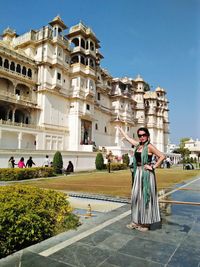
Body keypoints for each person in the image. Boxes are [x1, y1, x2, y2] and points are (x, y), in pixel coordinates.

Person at [118, 126, 165, 232]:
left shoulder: (150, 147)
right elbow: (128, 138)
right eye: (140, 135)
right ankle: (136, 221)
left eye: (144, 135)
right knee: (136, 197)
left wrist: (153, 166)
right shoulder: (138, 145)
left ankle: (145, 223)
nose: (142, 137)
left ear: (147, 136)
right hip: (138, 173)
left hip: (146, 174)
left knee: (145, 197)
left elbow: (162, 156)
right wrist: (121, 130)